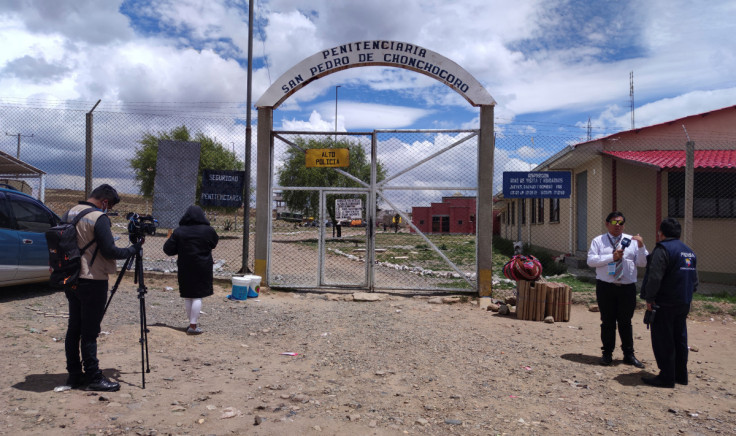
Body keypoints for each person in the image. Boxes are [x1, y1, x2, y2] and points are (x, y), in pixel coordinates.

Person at [64, 184, 142, 392]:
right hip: (92, 278)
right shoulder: (99, 218)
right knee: (89, 331)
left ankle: (74, 375)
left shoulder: (69, 213)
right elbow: (110, 251)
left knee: (74, 328)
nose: (109, 210)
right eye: (110, 205)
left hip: (70, 277)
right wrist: (133, 249)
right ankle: (93, 377)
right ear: (105, 202)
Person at [639, 218, 698, 388]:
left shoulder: (662, 250)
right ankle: (680, 375)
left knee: (663, 339)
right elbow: (694, 280)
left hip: (665, 303)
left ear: (661, 233)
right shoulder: (689, 251)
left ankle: (666, 377)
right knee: (679, 337)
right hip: (683, 302)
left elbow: (655, 277)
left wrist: (650, 298)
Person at [587, 211, 648, 368]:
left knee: (625, 322)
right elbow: (591, 261)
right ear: (607, 224)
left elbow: (643, 263)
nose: (618, 226)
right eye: (614, 223)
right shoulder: (598, 241)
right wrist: (611, 258)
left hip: (627, 288)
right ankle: (607, 354)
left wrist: (641, 246)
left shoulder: (632, 241)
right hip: (606, 286)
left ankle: (629, 354)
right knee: (607, 321)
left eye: (621, 223)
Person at [163, 205, 219, 335]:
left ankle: (191, 324)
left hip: (185, 266)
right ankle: (193, 326)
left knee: (188, 296)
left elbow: (168, 249)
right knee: (197, 295)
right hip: (203, 266)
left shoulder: (179, 231)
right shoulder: (208, 230)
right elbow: (214, 243)